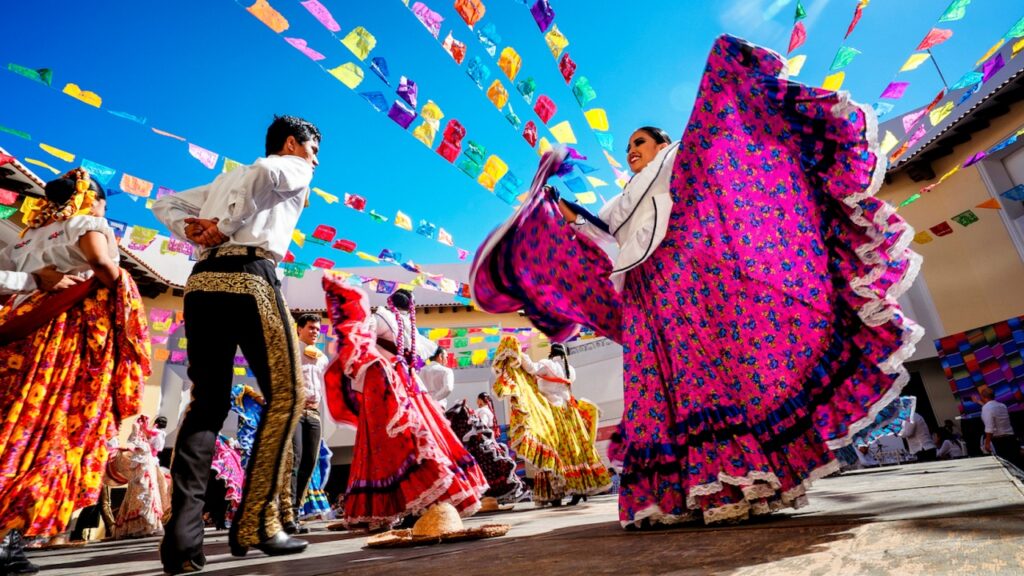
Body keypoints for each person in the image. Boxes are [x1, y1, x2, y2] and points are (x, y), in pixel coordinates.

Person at [470, 35, 923, 527]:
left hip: (687, 285)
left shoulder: (680, 160)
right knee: (659, 388)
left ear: (662, 143)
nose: (631, 152)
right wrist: (559, 213)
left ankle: (743, 478)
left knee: (707, 376)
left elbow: (714, 161)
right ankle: (681, 493)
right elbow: (598, 235)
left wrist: (724, 79)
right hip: (644, 295)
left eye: (639, 143)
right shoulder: (623, 197)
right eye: (627, 149)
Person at [153, 115, 321, 572]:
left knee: (207, 405)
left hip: (203, 284)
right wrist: (226, 226)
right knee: (289, 395)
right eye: (314, 148)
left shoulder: (225, 177)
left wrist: (193, 230)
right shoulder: (288, 166)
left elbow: (164, 203)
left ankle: (182, 544)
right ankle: (258, 522)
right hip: (250, 279)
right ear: (293, 143)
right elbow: (268, 174)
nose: (316, 160)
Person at [0, 169, 150, 574]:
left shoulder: (29, 235)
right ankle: (7, 540)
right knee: (55, 430)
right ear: (93, 199)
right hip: (66, 333)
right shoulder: (88, 221)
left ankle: (8, 539)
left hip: (21, 327)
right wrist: (120, 289)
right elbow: (101, 261)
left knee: (15, 426)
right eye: (104, 201)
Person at [320, 275, 489, 530]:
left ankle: (401, 506)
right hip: (413, 388)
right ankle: (421, 503)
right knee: (421, 441)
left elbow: (358, 341)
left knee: (390, 447)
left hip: (389, 389)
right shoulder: (414, 332)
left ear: (390, 302)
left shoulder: (381, 318)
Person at [491, 337, 610, 507]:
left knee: (554, 450)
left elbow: (531, 368)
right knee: (575, 451)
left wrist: (519, 353)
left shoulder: (547, 365)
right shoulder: (571, 370)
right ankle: (579, 489)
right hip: (571, 413)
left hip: (553, 412)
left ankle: (556, 492)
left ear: (551, 352)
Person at [284, 313, 328, 535]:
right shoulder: (290, 351)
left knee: (310, 462)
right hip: (295, 411)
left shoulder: (322, 358)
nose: (315, 332)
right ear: (299, 329)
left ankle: (296, 512)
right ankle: (288, 514)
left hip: (314, 413)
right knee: (295, 459)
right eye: (310, 328)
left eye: (317, 329)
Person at [445, 396, 527, 506]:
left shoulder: (483, 411)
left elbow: (480, 427)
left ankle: (494, 495)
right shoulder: (485, 411)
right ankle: (494, 497)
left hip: (482, 444)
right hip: (483, 443)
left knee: (490, 469)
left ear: (481, 400)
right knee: (492, 469)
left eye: (478, 400)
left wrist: (472, 431)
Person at [111, 416, 170, 539]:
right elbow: (154, 447)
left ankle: (143, 524)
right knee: (147, 491)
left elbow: (138, 444)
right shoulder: (150, 432)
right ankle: (146, 524)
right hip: (146, 464)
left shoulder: (149, 432)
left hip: (145, 464)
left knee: (145, 491)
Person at [980, 387, 1022, 469]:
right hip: (1011, 438)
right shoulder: (1002, 406)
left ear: (983, 397)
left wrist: (987, 443)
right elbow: (991, 408)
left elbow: (989, 427)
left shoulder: (986, 408)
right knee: (1017, 464)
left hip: (1000, 440)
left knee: (1008, 466)